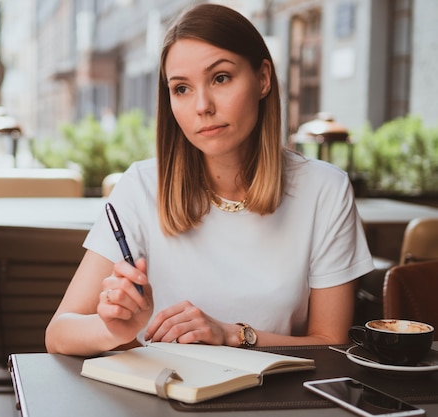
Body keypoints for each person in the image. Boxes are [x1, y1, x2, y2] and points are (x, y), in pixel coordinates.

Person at [45, 3, 374, 356]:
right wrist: (111, 330)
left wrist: (233, 335)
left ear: (263, 79)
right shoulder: (141, 186)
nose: (202, 105)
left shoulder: (325, 190)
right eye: (181, 88)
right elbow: (58, 333)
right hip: (163, 402)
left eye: (220, 78)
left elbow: (331, 344)